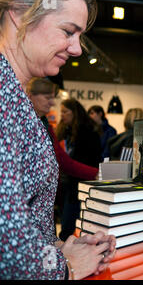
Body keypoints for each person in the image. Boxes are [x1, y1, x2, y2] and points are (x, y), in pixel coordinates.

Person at [0, 0, 115, 280]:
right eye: (68, 31)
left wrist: (60, 248)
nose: (77, 49)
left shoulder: (11, 93)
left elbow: (19, 223)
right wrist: (67, 267)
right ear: (20, 12)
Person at [26, 77, 99, 180]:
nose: (53, 103)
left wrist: (96, 173)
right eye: (48, 98)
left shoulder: (46, 127)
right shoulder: (22, 125)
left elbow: (63, 161)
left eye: (53, 98)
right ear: (30, 96)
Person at [57, 98, 101, 241]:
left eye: (65, 112)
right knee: (67, 223)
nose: (62, 115)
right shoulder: (65, 131)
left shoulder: (87, 133)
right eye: (61, 112)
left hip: (81, 184)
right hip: (68, 183)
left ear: (74, 113)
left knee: (71, 225)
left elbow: (90, 160)